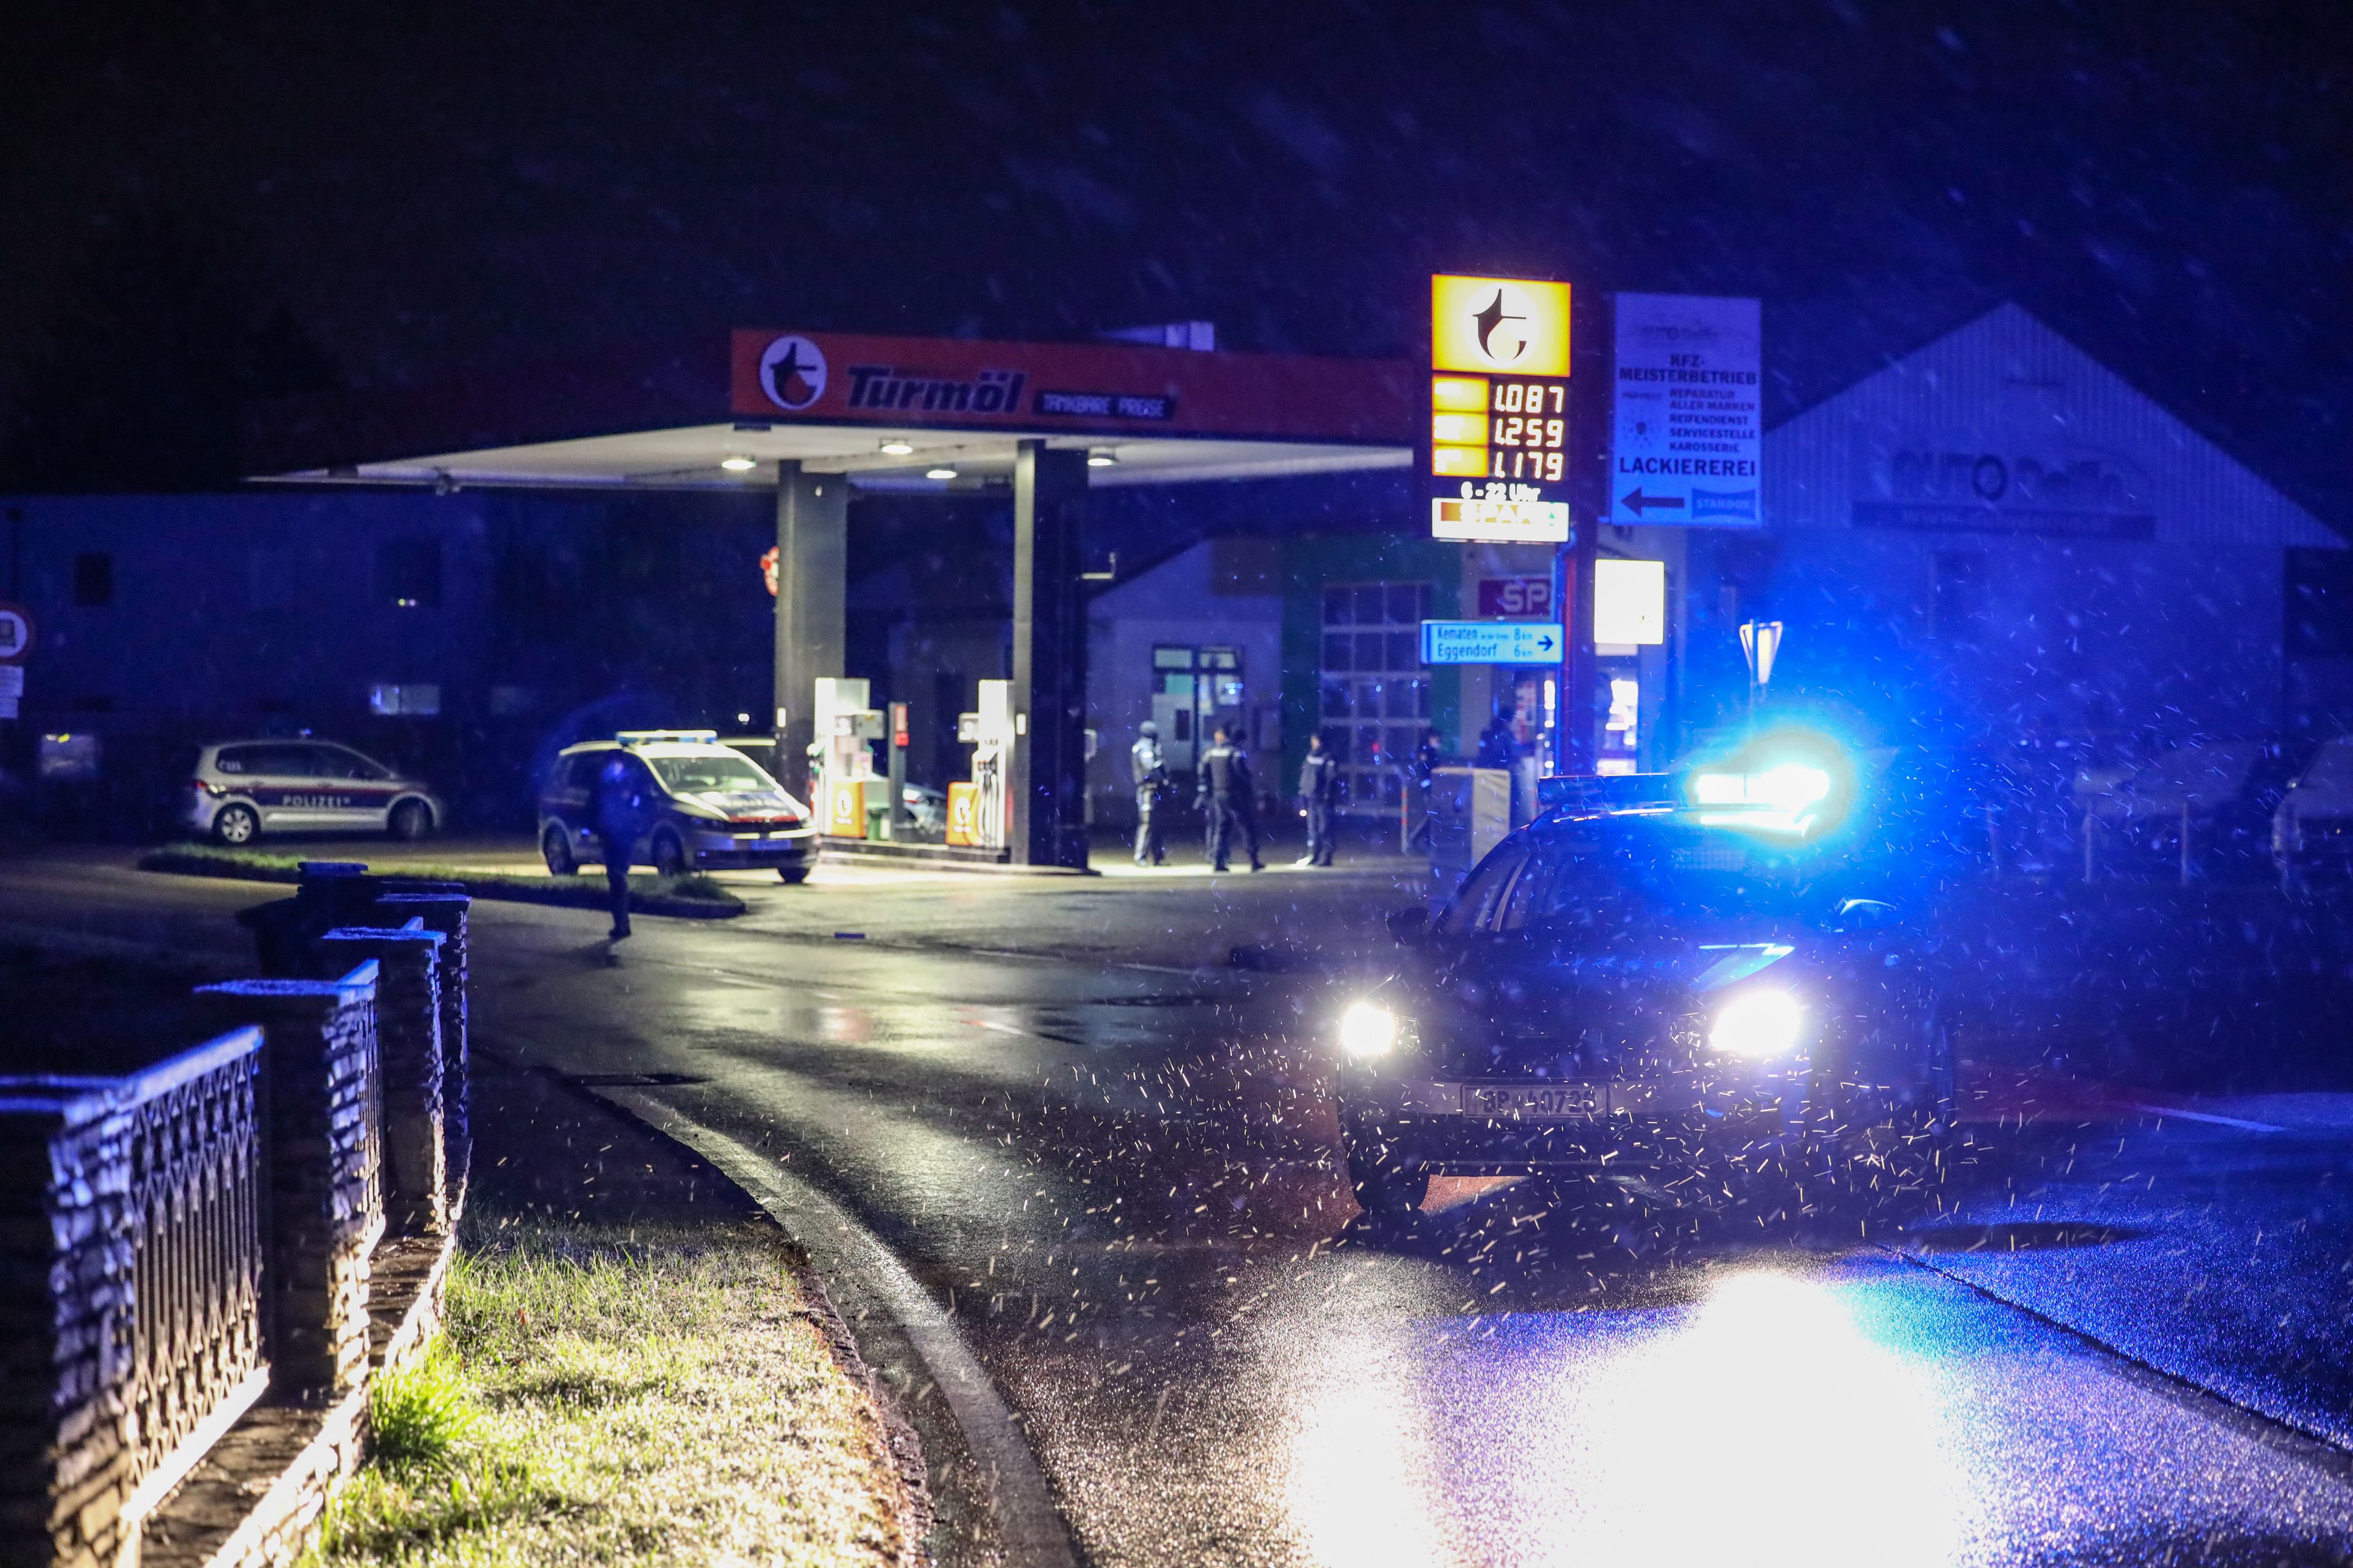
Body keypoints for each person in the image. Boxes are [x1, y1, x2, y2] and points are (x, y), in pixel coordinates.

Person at [591, 750, 653, 941]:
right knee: (615, 878)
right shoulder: (604, 782)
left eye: (613, 762)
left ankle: (622, 923)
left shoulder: (631, 782)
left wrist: (637, 823)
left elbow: (644, 804)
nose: (611, 766)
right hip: (610, 834)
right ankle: (620, 923)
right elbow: (594, 806)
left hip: (624, 834)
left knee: (618, 877)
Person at [1195, 725, 1263, 872]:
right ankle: (1254, 860)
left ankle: (1218, 861)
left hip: (1218, 794)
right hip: (1234, 794)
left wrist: (1208, 785)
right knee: (1246, 826)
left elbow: (1203, 770)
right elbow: (1241, 774)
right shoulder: (1235, 753)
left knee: (1222, 828)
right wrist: (1248, 789)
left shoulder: (1211, 752)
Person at [1296, 731, 1339, 866]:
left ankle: (1327, 857)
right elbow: (1306, 774)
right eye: (1313, 741)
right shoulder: (1310, 756)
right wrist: (1303, 790)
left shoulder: (1329, 757)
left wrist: (1327, 794)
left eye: (1316, 741)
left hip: (1323, 799)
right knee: (1313, 828)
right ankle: (1313, 855)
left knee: (1325, 828)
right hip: (1311, 797)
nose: (1314, 743)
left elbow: (1331, 778)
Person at [1131, 720, 1169, 866]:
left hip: (1153, 790)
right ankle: (1140, 856)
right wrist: (1163, 777)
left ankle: (1157, 856)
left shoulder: (1147, 746)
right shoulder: (1145, 747)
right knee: (1147, 823)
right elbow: (1150, 769)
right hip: (1148, 790)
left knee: (1157, 824)